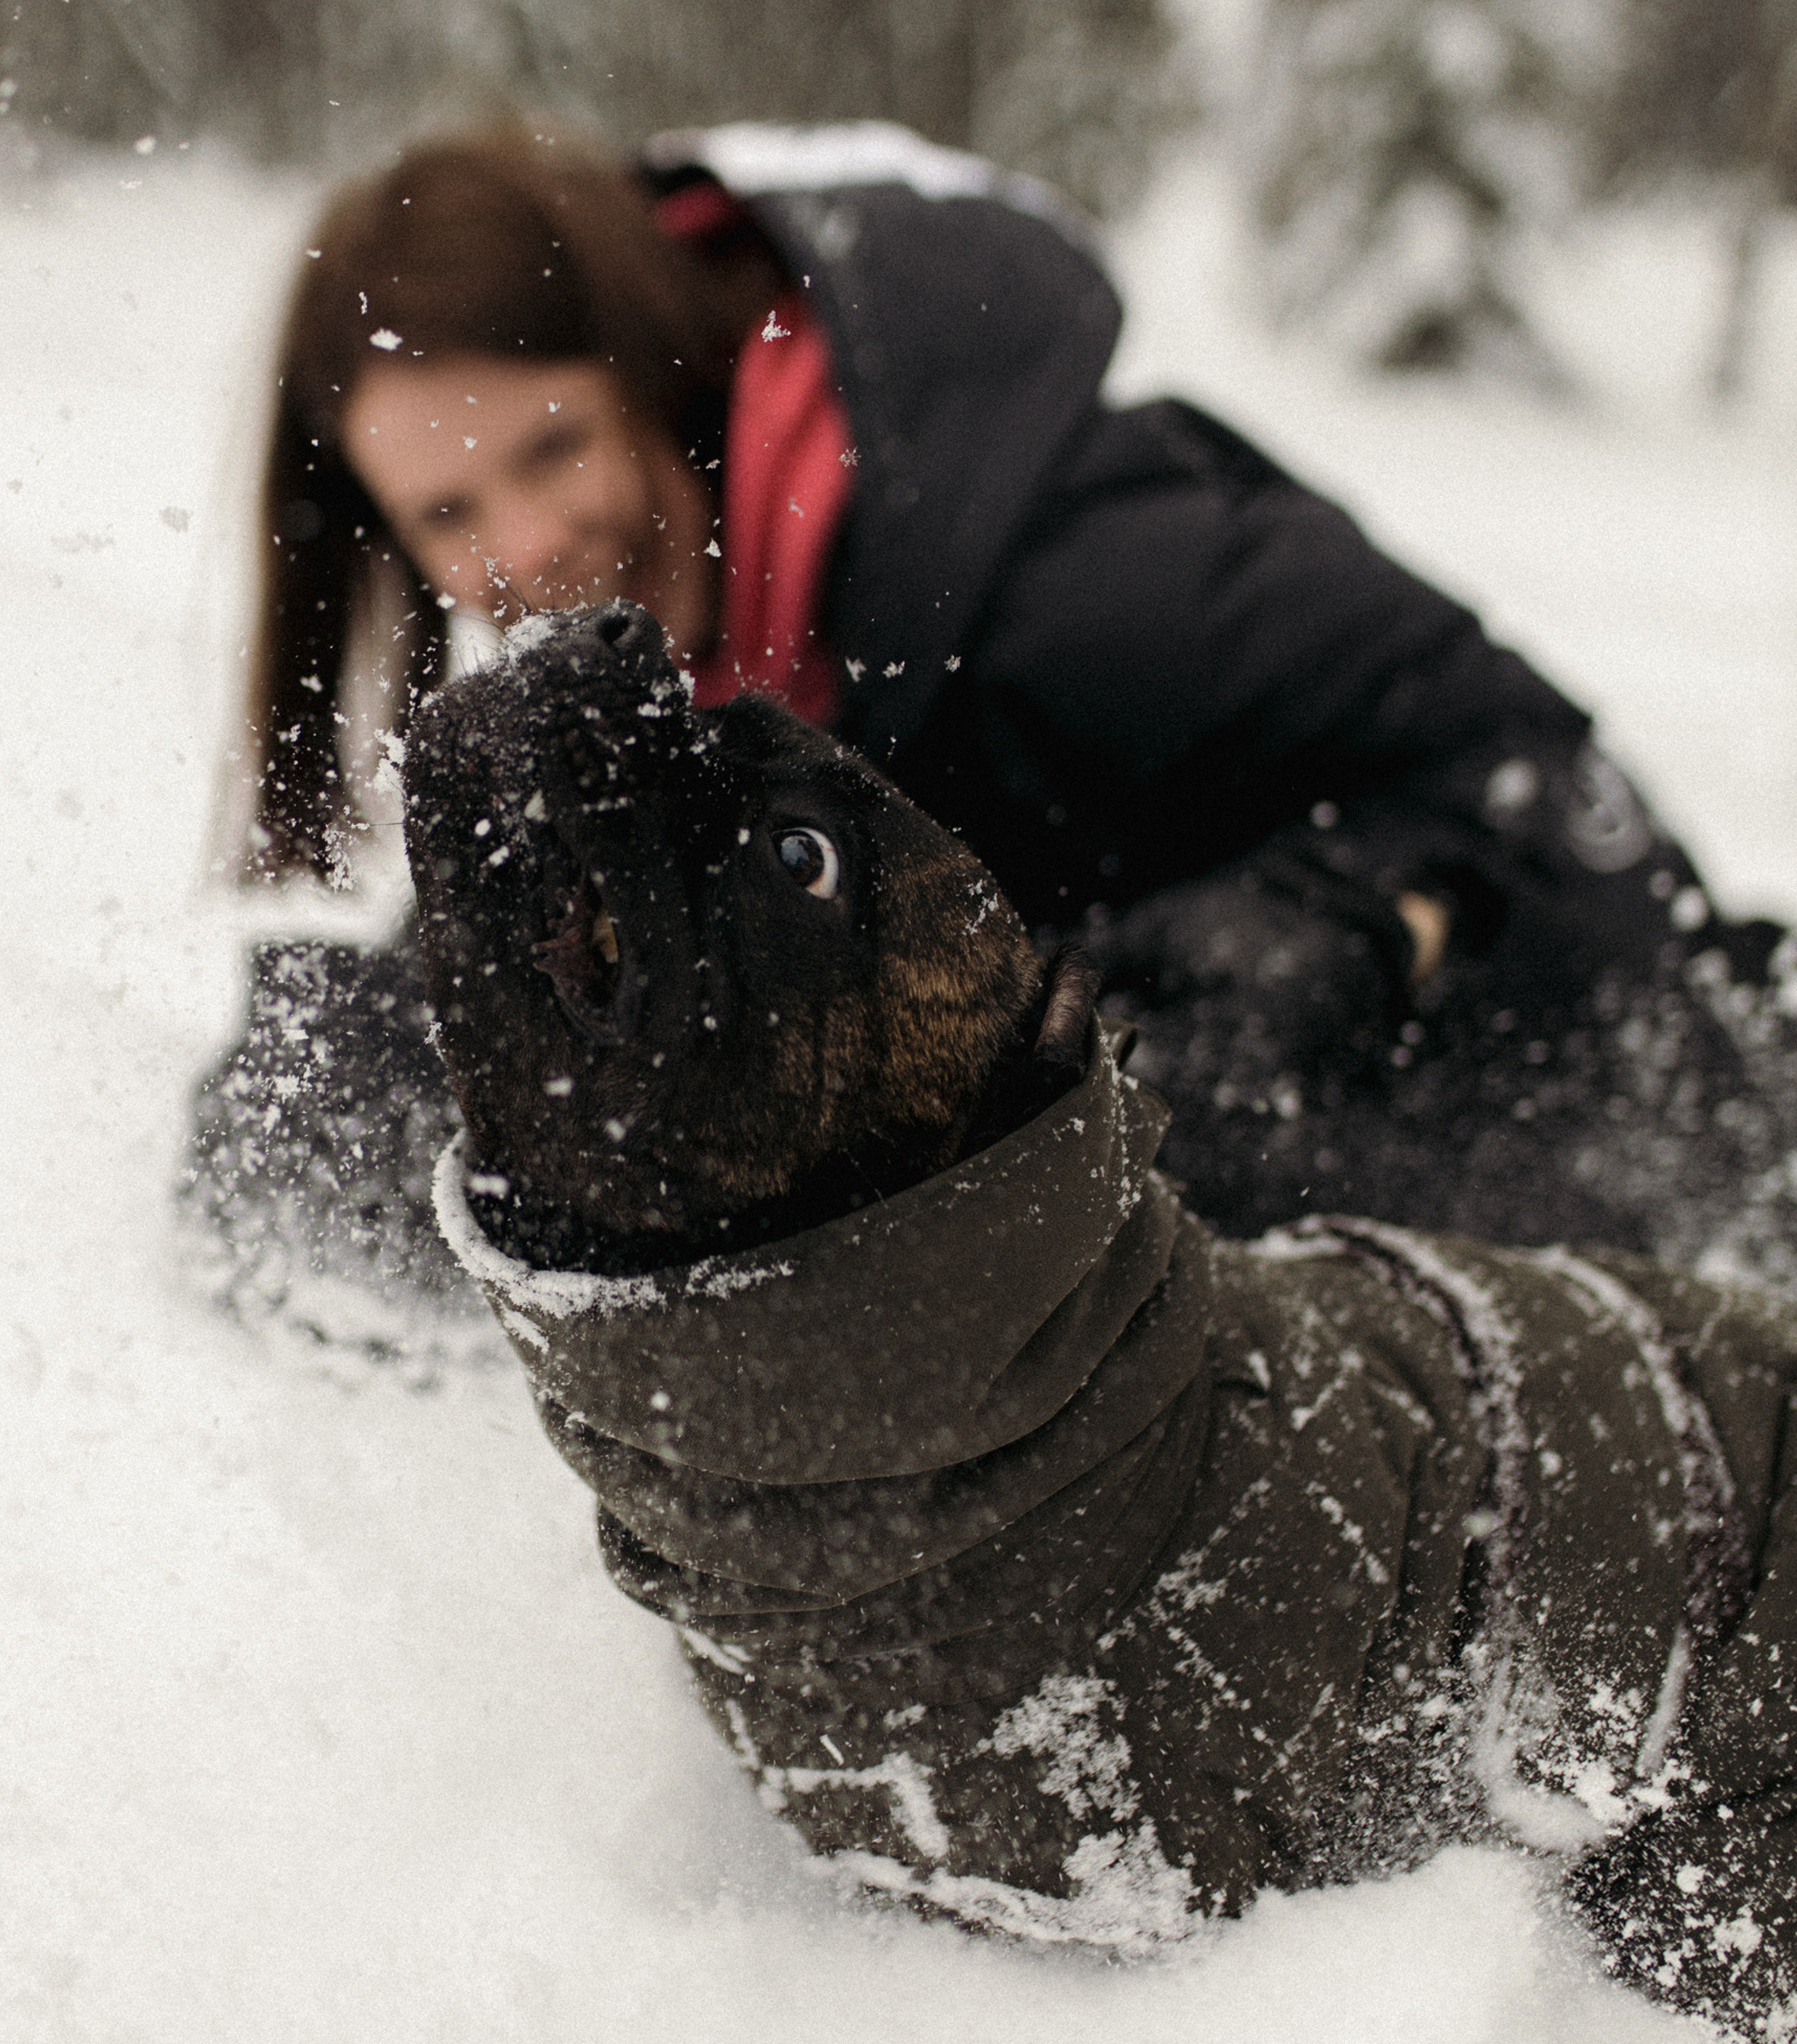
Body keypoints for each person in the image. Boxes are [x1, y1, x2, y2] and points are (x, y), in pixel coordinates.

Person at [187, 120, 1797, 1311]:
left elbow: (1572, 823)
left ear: (657, 374)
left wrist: (1343, 932)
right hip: (1182, 1270)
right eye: (447, 511)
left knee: (1081, 1134)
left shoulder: (1069, 585)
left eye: (550, 449)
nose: (521, 551)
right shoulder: (670, 673)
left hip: (1598, 1172)